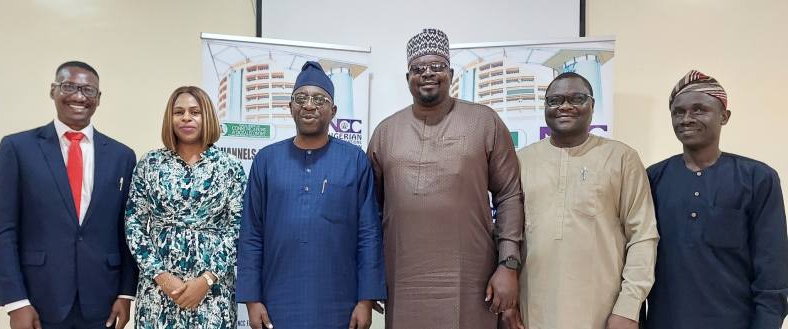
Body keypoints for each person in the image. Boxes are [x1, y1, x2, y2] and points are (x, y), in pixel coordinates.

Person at [367, 28, 523, 329]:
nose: (427, 74)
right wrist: (369, 276)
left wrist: (508, 264)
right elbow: (369, 211)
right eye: (418, 68)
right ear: (407, 77)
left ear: (450, 73)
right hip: (403, 279)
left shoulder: (484, 121)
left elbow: (509, 196)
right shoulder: (385, 132)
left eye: (437, 67)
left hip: (472, 279)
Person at [237, 61, 386, 329]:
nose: (309, 105)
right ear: (290, 107)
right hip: (276, 301)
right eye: (301, 98)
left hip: (339, 301)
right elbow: (251, 234)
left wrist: (365, 300)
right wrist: (251, 299)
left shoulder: (354, 161)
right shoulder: (266, 161)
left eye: (319, 99)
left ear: (333, 111)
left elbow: (369, 233)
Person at [0, 61, 137, 329]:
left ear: (99, 99)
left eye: (88, 90)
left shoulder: (122, 156)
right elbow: (2, 230)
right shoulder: (17, 148)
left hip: (103, 301)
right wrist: (16, 301)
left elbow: (127, 229)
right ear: (53, 90)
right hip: (38, 300)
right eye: (69, 86)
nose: (79, 96)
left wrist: (126, 293)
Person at [507, 72, 659, 329]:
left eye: (577, 98)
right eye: (554, 100)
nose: (565, 106)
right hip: (533, 312)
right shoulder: (521, 161)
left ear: (592, 106)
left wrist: (629, 307)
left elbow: (643, 236)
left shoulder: (621, 158)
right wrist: (508, 303)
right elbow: (508, 237)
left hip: (602, 313)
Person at [643, 70, 788, 329]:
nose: (687, 119)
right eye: (678, 112)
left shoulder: (757, 178)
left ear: (724, 116)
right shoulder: (652, 178)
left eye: (699, 110)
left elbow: (772, 270)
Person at [124, 86, 246, 328]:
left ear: (207, 117)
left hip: (213, 292)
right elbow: (133, 223)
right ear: (170, 118)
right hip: (158, 290)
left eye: (195, 112)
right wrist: (161, 276)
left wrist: (208, 280)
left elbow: (239, 227)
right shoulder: (150, 163)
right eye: (179, 112)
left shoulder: (229, 167)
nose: (186, 118)